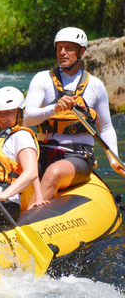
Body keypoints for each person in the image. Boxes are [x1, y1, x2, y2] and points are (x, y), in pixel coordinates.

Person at [24, 27, 125, 201]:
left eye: (68, 48)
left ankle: (29, 223)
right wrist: (54, 108)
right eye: (59, 48)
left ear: (82, 52)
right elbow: (27, 119)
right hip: (43, 153)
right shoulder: (42, 79)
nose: (62, 52)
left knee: (54, 173)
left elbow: (106, 127)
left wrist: (114, 159)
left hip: (79, 155)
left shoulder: (95, 85)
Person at [0, 87, 46, 226]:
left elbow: (31, 172)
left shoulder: (21, 136)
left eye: (8, 113)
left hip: (4, 203)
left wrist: (4, 195)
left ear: (19, 112)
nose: (2, 118)